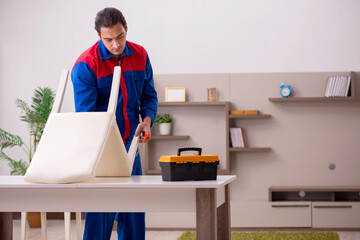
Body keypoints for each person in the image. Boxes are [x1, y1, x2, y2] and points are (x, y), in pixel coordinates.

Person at [71, 7, 158, 240]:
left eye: (119, 37)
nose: (115, 45)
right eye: (108, 39)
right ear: (99, 36)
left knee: (133, 222)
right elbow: (87, 119)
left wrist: (147, 120)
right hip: (102, 155)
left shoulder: (140, 55)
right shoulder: (86, 66)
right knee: (99, 223)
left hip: (132, 150)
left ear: (126, 29)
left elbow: (149, 96)